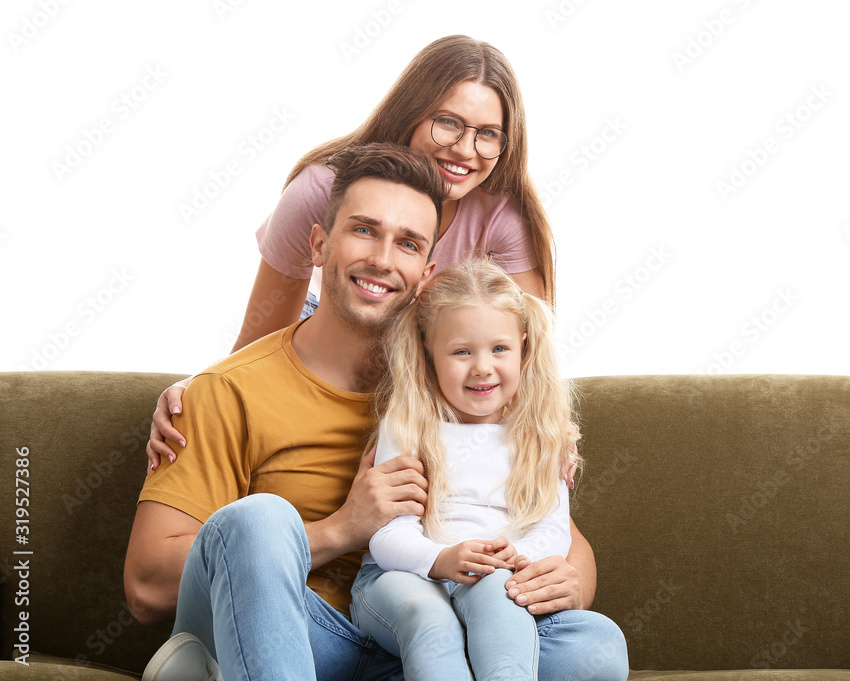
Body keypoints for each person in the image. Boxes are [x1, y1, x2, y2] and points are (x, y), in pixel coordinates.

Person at [124, 143, 627, 681]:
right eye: (364, 230)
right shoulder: (227, 391)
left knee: (593, 644)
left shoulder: (452, 390)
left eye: (407, 244)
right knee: (261, 519)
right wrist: (342, 529)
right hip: (304, 635)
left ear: (427, 272)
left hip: (420, 646)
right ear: (319, 243)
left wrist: (569, 580)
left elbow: (550, 528)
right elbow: (147, 588)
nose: (383, 260)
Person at [147, 34, 557, 468]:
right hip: (333, 323)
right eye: (448, 123)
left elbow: (530, 351)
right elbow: (261, 337)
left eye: (488, 134)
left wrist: (553, 428)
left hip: (427, 347)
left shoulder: (504, 215)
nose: (463, 149)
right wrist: (200, 390)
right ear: (412, 113)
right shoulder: (319, 190)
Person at [350, 258, 625, 681]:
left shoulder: (541, 435)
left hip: (494, 581)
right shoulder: (409, 427)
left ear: (524, 347)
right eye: (462, 351)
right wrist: (442, 559)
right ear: (428, 353)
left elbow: (553, 529)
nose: (482, 366)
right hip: (405, 576)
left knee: (599, 641)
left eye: (499, 349)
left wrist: (518, 559)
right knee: (431, 622)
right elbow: (388, 534)